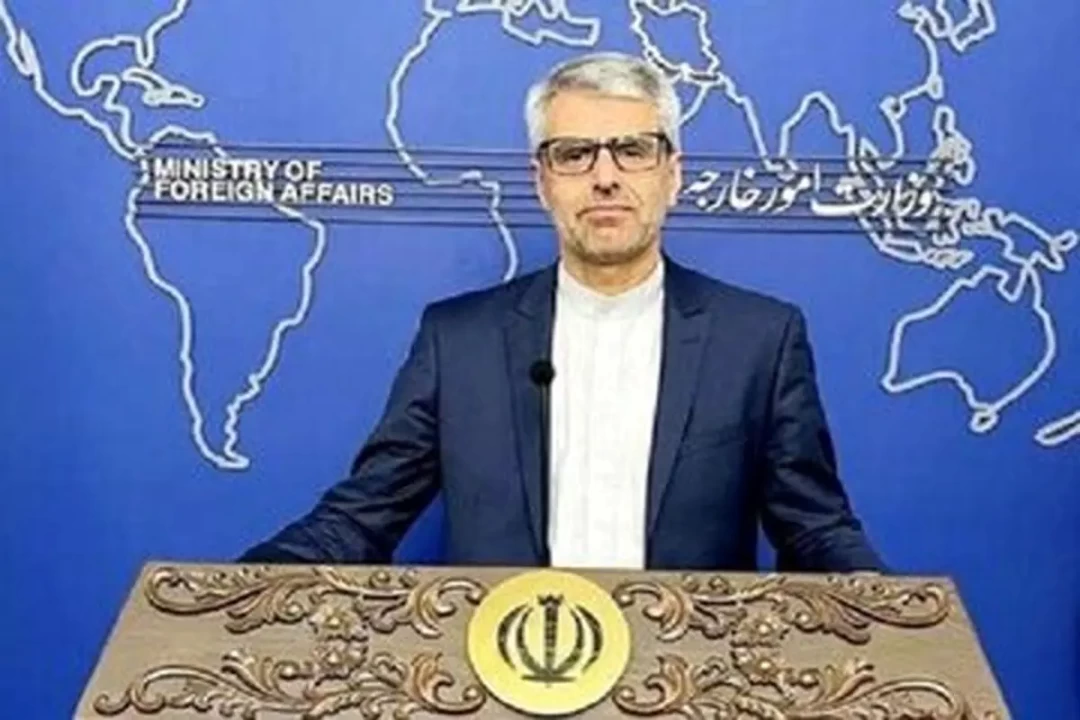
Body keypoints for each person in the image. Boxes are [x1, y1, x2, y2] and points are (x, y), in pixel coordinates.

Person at [240, 51, 885, 573]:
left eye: (633, 150)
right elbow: (360, 519)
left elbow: (815, 531)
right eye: (574, 154)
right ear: (542, 181)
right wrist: (227, 595)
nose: (605, 177)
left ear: (672, 173)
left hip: (689, 675)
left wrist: (900, 620)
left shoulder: (759, 340)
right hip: (496, 673)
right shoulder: (457, 341)